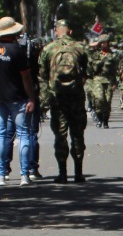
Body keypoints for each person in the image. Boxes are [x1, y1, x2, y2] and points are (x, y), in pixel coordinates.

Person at [0, 17, 37, 186]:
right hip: (17, 97)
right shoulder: (17, 50)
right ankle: (25, 175)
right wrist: (31, 98)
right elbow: (26, 77)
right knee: (23, 134)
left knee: (0, 135)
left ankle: (0, 175)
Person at [38, 19, 90, 182]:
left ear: (56, 31)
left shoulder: (48, 49)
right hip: (76, 97)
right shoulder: (80, 47)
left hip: (57, 98)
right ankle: (79, 173)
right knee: (77, 134)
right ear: (70, 31)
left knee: (60, 135)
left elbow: (42, 74)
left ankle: (62, 173)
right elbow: (88, 70)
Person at [86, 34, 121, 128]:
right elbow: (85, 51)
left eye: (105, 42)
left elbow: (116, 70)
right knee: (99, 99)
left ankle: (105, 121)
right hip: (97, 78)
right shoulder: (95, 53)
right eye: (101, 43)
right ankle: (99, 118)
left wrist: (115, 83)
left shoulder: (113, 55)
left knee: (108, 101)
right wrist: (92, 45)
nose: (103, 44)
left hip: (109, 80)